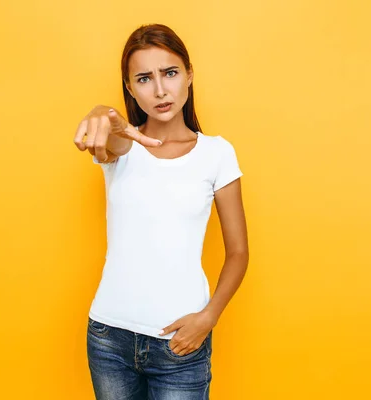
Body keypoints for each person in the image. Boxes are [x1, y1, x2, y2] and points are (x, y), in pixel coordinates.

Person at [73, 23, 249, 400]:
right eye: (143, 78)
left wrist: (209, 317)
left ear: (188, 74)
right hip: (109, 337)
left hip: (180, 345)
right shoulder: (122, 146)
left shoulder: (217, 153)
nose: (160, 90)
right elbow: (109, 139)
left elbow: (238, 253)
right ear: (130, 88)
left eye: (169, 73)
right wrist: (100, 113)